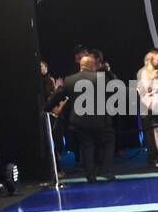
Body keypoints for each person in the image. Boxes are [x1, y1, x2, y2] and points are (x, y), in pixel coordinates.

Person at [46, 53, 115, 183]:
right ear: (92, 65)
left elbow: (58, 95)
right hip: (99, 119)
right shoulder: (100, 78)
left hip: (80, 120)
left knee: (87, 147)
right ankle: (105, 171)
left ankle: (90, 176)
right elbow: (112, 93)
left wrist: (46, 108)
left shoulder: (70, 80)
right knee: (106, 144)